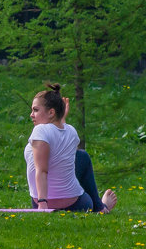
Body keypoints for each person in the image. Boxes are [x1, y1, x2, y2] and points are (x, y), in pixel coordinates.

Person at [26, 84, 117, 213]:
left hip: (42, 203)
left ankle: (101, 207)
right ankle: (100, 207)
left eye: (35, 110)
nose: (31, 115)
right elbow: (58, 142)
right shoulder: (71, 131)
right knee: (82, 156)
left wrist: (42, 204)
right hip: (79, 205)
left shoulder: (39, 131)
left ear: (51, 112)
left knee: (78, 157)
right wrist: (60, 119)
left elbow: (42, 170)